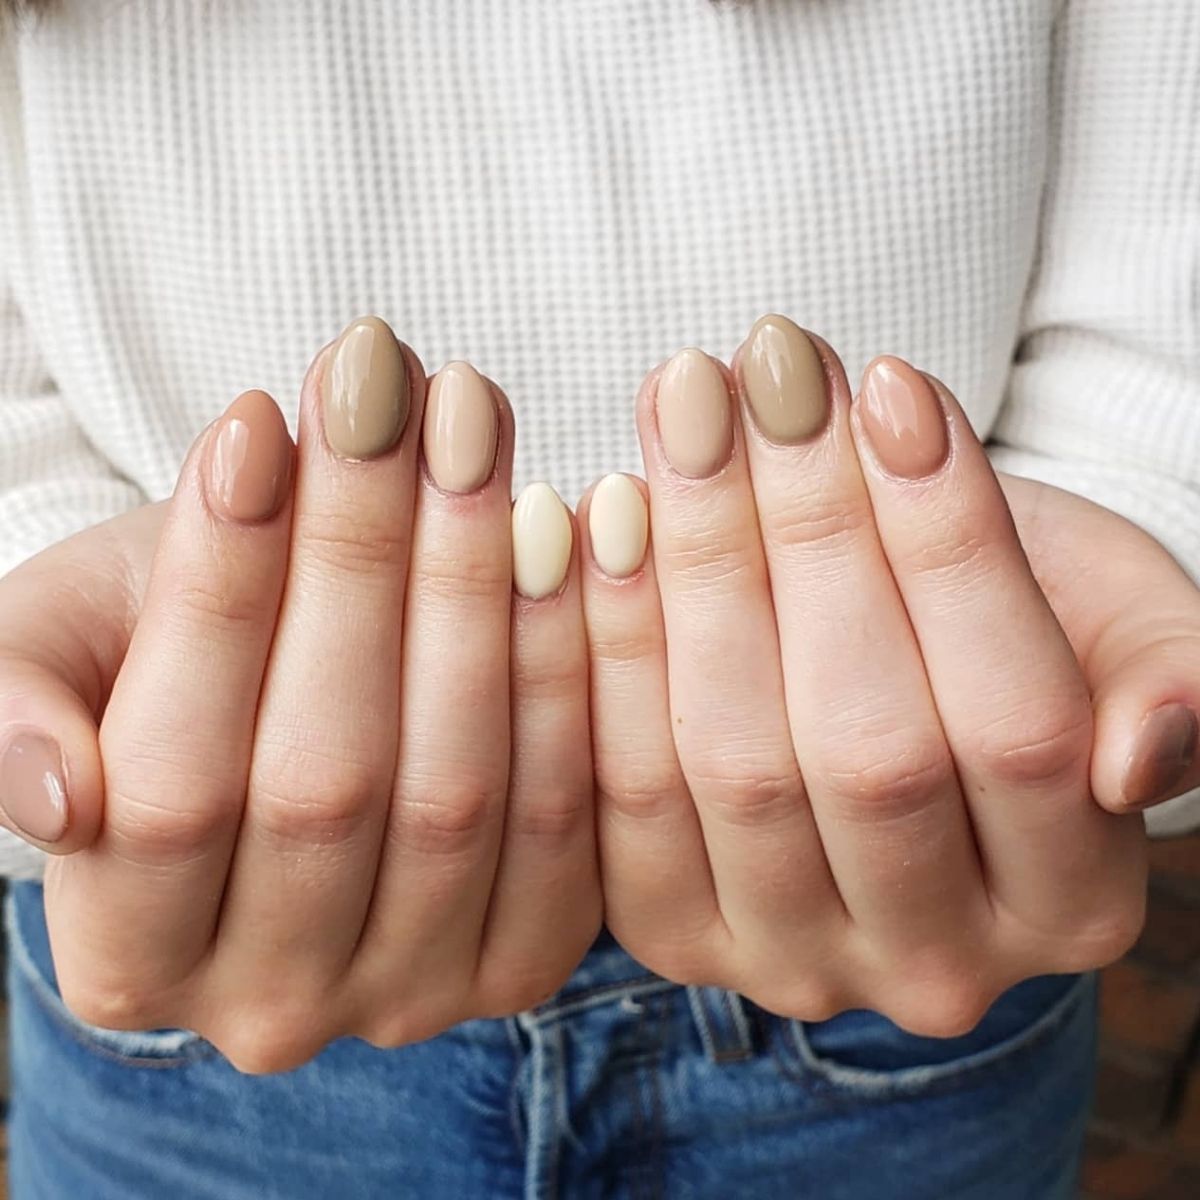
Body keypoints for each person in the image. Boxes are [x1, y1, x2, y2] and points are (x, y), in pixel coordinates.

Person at [0, 1, 1197, 1196]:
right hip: (199, 958)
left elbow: (1159, 338)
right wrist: (94, 651)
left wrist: (1075, 593)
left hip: (909, 916)